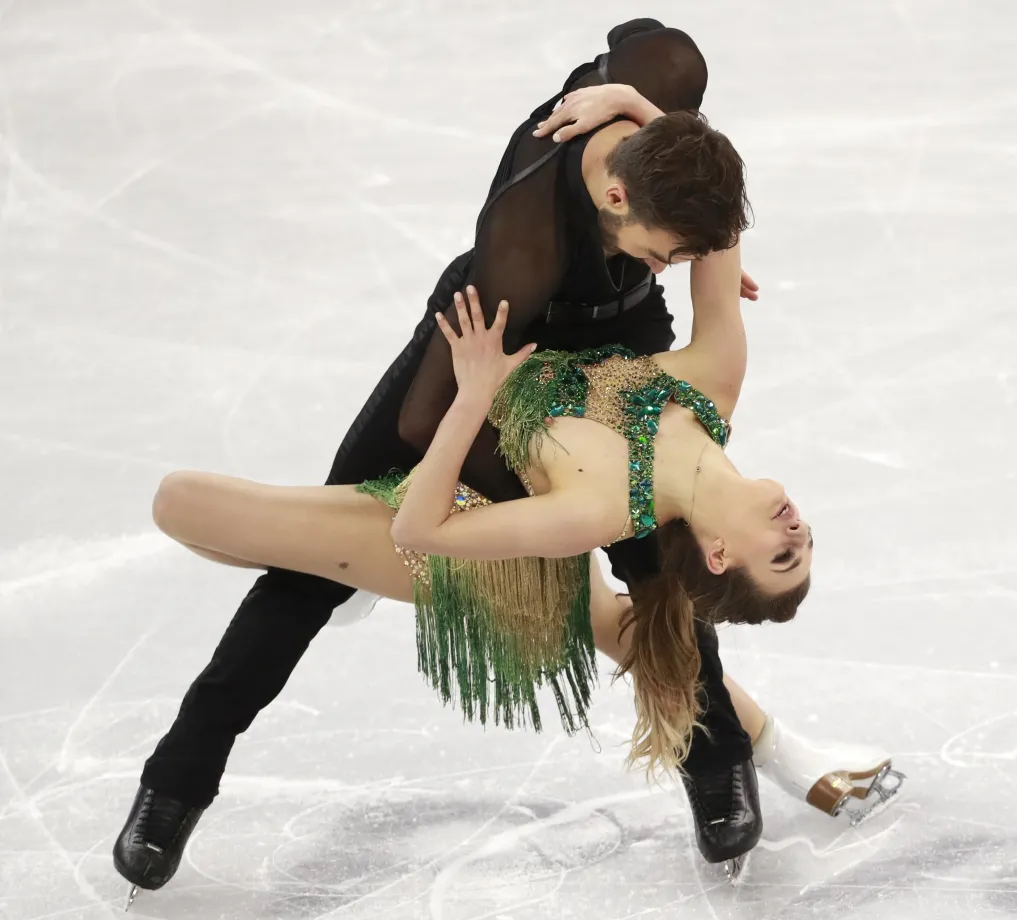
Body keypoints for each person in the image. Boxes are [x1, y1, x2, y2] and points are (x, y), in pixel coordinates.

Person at [112, 21, 898, 903]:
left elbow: (705, 187)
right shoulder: (543, 264)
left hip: (588, 367)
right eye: (671, 250)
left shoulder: (630, 473)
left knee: (656, 579)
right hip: (486, 346)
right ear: (618, 194)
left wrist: (647, 125)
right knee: (303, 583)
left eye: (784, 551)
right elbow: (426, 422)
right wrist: (484, 407)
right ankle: (179, 778)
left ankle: (716, 762)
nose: (685, 265)